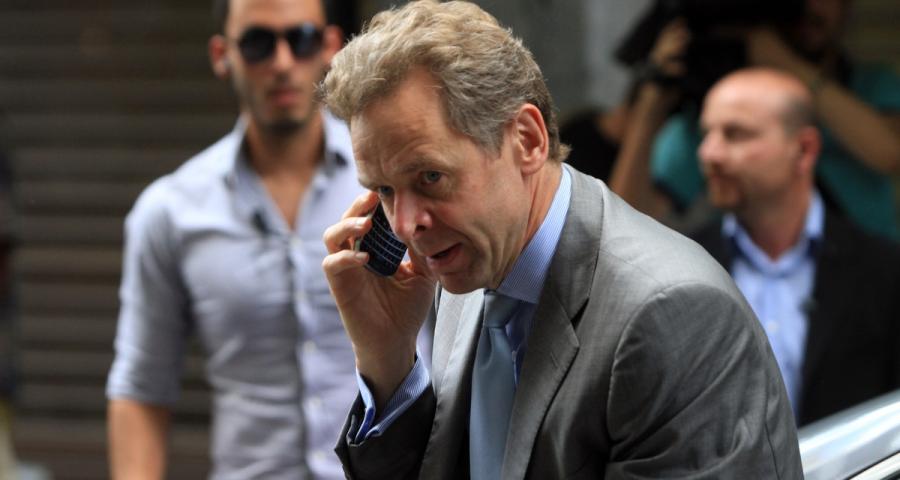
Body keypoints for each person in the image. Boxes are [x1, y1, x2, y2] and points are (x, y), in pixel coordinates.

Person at [319, 1, 802, 478]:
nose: (405, 225)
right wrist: (388, 363)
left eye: (430, 177)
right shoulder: (470, 261)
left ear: (527, 140)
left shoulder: (672, 314)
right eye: (385, 190)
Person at [105, 0, 399, 478]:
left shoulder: (391, 180)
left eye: (301, 40)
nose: (282, 63)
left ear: (330, 46)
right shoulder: (170, 211)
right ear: (222, 55)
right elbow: (141, 387)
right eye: (259, 43)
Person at [690, 67, 900, 425]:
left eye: (735, 134)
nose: (710, 153)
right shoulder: (681, 263)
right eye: (705, 134)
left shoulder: (883, 272)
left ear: (804, 149)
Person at [644, 0, 900, 240]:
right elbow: (638, 216)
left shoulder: (873, 85)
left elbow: (889, 151)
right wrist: (652, 95)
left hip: (864, 259)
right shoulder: (709, 116)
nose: (805, 6)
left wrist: (785, 63)